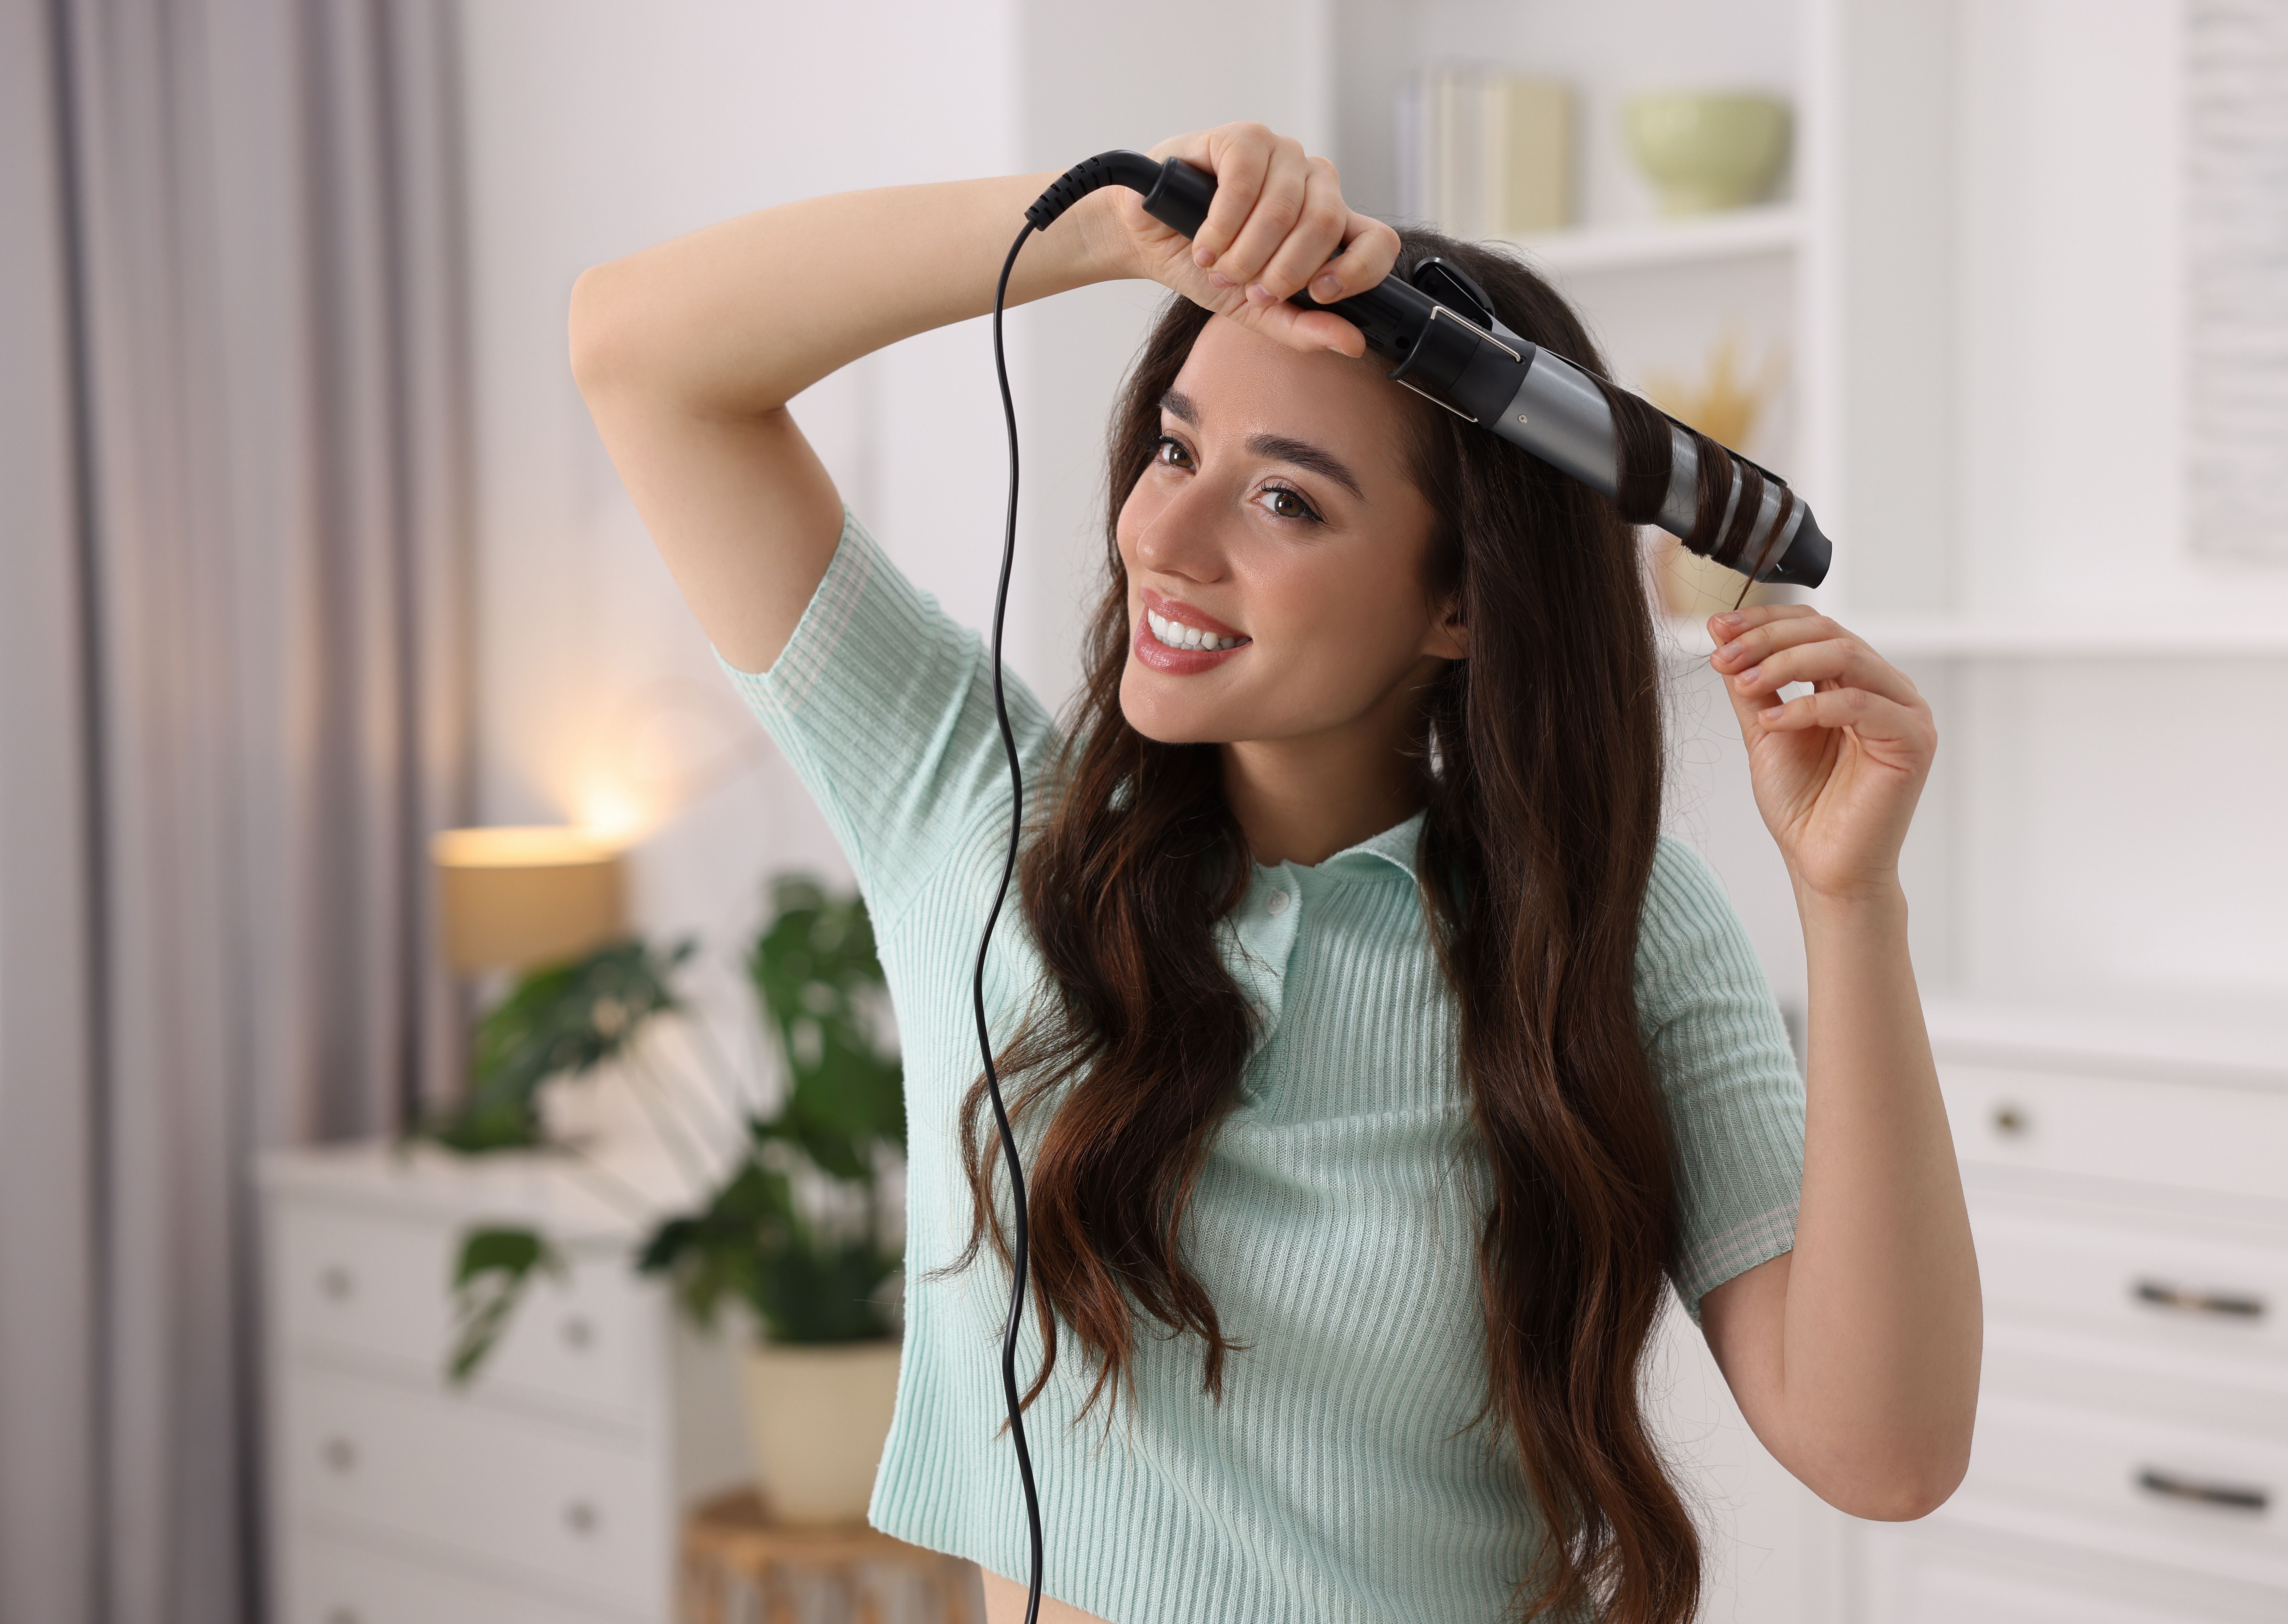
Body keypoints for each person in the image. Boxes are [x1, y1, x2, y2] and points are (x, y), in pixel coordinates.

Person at [572, 121, 1980, 1624]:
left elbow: (1880, 1452)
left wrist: (1851, 907)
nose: (1163, 538)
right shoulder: (978, 814)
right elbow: (642, 354)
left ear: (1456, 605)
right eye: (1176, 448)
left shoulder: (1601, 931)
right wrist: (1111, 225)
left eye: (1285, 499)